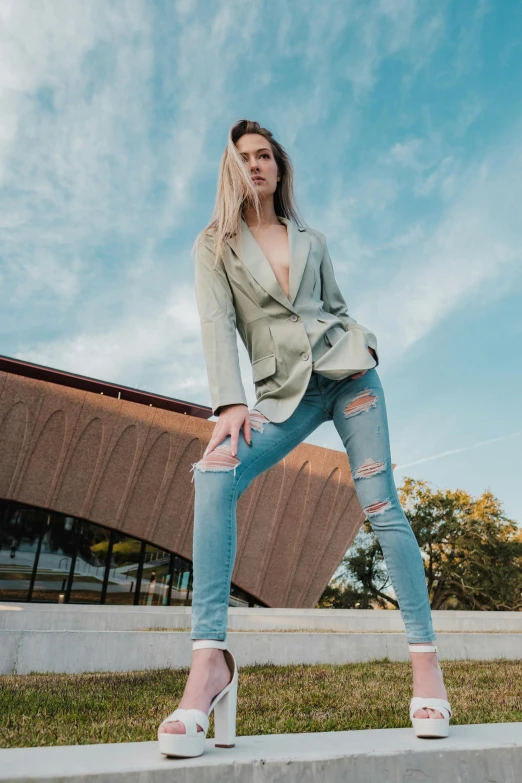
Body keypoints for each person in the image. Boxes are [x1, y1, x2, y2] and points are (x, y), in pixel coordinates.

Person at [158, 119, 452, 758]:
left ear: (280, 168)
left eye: (265, 156)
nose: (256, 165)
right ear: (230, 170)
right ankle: (209, 664)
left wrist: (365, 341)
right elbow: (215, 324)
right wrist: (230, 403)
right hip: (281, 395)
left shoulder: (311, 238)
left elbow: (336, 305)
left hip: (350, 377)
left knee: (381, 505)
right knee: (213, 475)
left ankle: (426, 665)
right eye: (244, 158)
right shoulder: (213, 246)